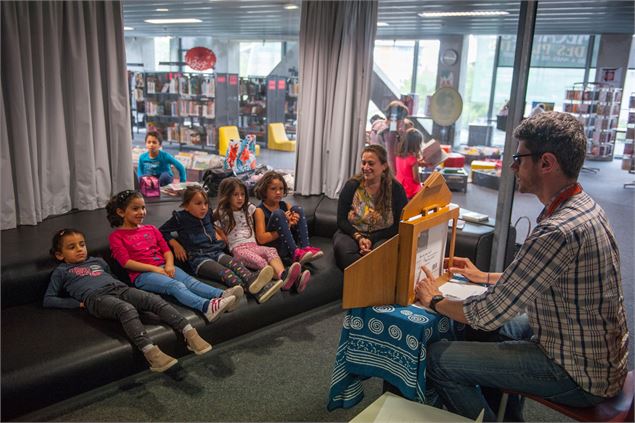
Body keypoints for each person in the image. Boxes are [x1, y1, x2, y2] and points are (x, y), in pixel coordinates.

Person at [415, 112, 629, 421]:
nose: (513, 166)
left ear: (546, 163)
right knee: (483, 334)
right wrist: (483, 276)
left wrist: (433, 299)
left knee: (437, 359)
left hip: (579, 374)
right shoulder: (583, 207)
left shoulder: (557, 230)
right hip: (593, 354)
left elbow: (486, 314)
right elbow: (542, 279)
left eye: (519, 157)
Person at [45, 228, 212, 373]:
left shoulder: (98, 261)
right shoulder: (62, 271)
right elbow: (49, 299)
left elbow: (111, 276)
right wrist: (78, 304)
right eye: (71, 247)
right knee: (126, 309)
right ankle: (151, 353)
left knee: (152, 299)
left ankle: (190, 332)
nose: (80, 249)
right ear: (59, 254)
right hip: (96, 298)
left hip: (119, 288)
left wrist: (127, 289)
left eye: (82, 244)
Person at [107, 190, 237, 322]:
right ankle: (206, 307)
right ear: (121, 212)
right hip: (142, 275)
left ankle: (221, 294)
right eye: (135, 209)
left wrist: (169, 264)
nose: (141, 212)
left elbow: (166, 250)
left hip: (164, 266)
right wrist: (155, 269)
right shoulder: (116, 237)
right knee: (175, 286)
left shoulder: (151, 229)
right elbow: (126, 262)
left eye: (143, 207)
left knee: (190, 281)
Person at [159, 185, 275, 303]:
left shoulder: (208, 213)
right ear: (186, 206)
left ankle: (254, 281)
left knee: (236, 264)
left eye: (205, 203)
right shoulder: (180, 218)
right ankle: (256, 292)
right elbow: (161, 232)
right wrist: (174, 244)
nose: (203, 207)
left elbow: (213, 223)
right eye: (198, 204)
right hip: (199, 259)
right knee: (227, 273)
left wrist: (219, 233)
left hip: (215, 251)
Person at [214, 178, 308, 297]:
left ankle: (286, 277)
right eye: (235, 195)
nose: (240, 198)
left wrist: (288, 220)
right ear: (226, 195)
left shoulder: (249, 208)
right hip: (238, 249)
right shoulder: (220, 213)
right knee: (260, 261)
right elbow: (214, 229)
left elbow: (265, 210)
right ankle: (291, 279)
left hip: (254, 245)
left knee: (271, 251)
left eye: (242, 194)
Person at [333, 144, 408, 270]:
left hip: (383, 236)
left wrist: (371, 239)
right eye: (363, 163)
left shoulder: (396, 189)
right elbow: (341, 220)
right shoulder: (352, 185)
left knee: (381, 254)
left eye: (371, 163)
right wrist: (359, 237)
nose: (366, 167)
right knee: (344, 252)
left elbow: (400, 224)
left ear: (384, 166)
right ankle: (362, 276)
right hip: (351, 233)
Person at [253, 170, 323, 266]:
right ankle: (296, 253)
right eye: (273, 189)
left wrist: (293, 223)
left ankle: (305, 248)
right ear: (264, 190)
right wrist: (286, 226)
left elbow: (294, 227)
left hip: (286, 246)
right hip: (275, 250)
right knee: (278, 213)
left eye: (281, 189)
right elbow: (261, 239)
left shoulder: (285, 205)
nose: (278, 192)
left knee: (297, 209)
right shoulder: (259, 211)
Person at [377, 100, 410, 171]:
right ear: (398, 119)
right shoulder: (390, 133)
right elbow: (391, 159)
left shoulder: (378, 125)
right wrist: (395, 177)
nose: (402, 123)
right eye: (402, 119)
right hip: (385, 172)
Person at [395, 128, 425, 199]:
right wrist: (421, 184)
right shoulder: (413, 159)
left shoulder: (398, 156)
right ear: (416, 145)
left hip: (399, 187)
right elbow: (416, 178)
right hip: (411, 190)